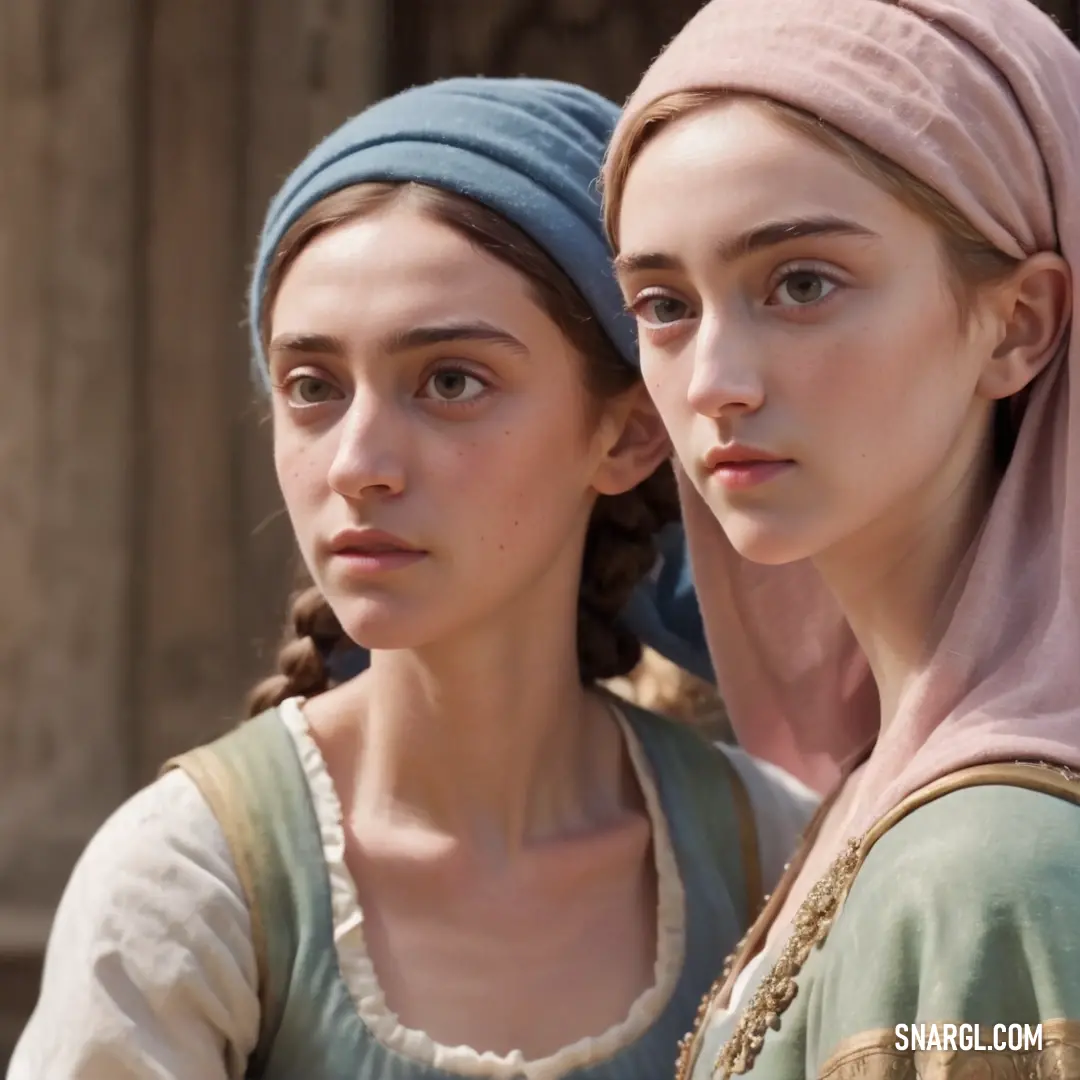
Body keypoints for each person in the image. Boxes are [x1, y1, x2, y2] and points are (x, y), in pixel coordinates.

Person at [9, 78, 816, 1080]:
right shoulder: (191, 887)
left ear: (629, 431)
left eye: (449, 383)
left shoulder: (773, 855)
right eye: (312, 388)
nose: (358, 463)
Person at [600, 0, 1080, 1075]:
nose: (714, 384)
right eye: (665, 304)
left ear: (1019, 323)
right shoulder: (886, 788)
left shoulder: (988, 864)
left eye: (802, 284)